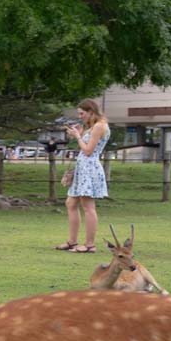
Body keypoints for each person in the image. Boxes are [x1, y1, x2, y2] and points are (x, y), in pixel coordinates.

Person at [58, 98, 109, 253]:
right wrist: (79, 134)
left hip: (89, 169)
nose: (80, 116)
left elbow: (88, 151)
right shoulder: (93, 127)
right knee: (71, 203)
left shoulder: (100, 126)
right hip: (82, 169)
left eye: (82, 113)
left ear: (90, 111)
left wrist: (79, 137)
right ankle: (72, 242)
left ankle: (89, 244)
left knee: (88, 207)